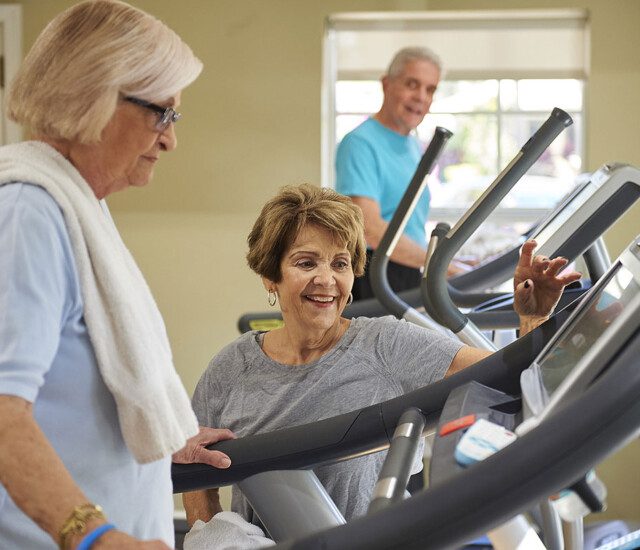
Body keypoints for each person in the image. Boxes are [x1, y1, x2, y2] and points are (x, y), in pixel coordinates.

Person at [182, 184, 581, 527]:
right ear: (271, 276)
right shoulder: (230, 370)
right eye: (306, 263)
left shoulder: (386, 345)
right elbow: (193, 474)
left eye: (340, 263)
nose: (326, 279)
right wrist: (214, 538)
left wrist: (533, 317)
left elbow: (510, 379)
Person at [0, 2, 235, 549]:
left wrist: (160, 432)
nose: (170, 139)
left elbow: (77, 381)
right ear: (95, 96)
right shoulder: (28, 214)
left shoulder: (79, 204)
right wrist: (96, 537)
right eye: (163, 113)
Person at [336, 46, 462, 301]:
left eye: (430, 89)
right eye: (412, 84)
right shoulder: (360, 143)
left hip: (408, 270)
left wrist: (444, 260)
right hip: (376, 273)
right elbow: (369, 227)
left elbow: (409, 224)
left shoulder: (412, 144)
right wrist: (442, 266)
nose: (421, 97)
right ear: (386, 84)